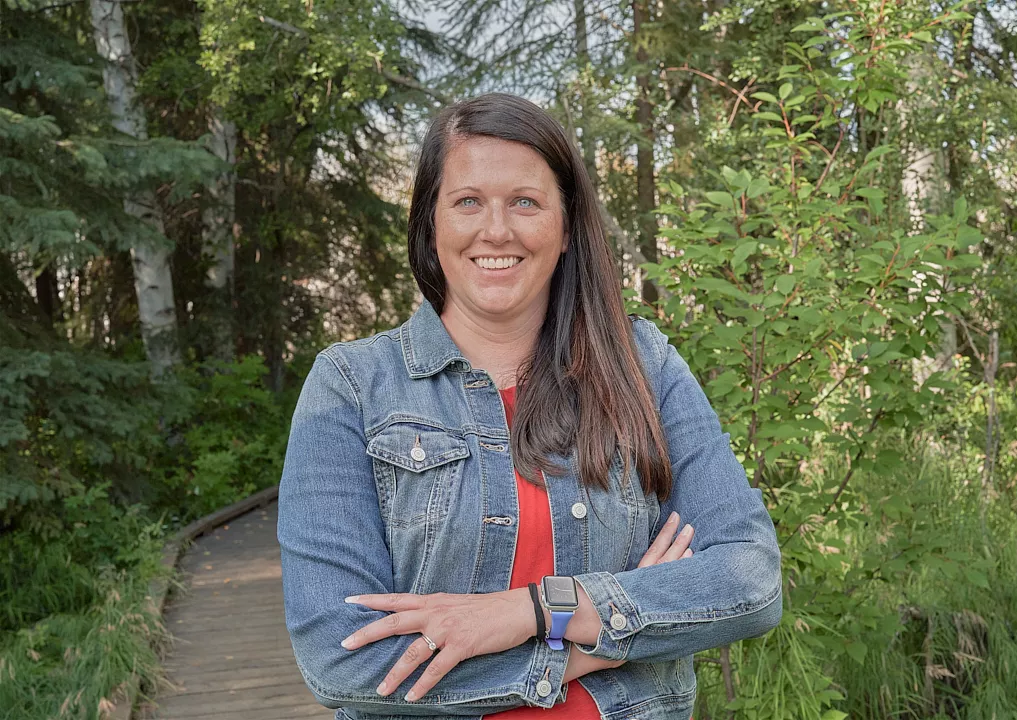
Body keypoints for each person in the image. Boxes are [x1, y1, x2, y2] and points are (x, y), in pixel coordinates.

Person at [277, 92, 782, 720]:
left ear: (566, 227)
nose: (496, 230)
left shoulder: (642, 365)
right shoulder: (352, 386)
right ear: (430, 226)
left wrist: (533, 610)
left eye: (525, 202)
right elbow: (339, 657)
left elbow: (750, 576)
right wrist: (589, 645)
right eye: (467, 202)